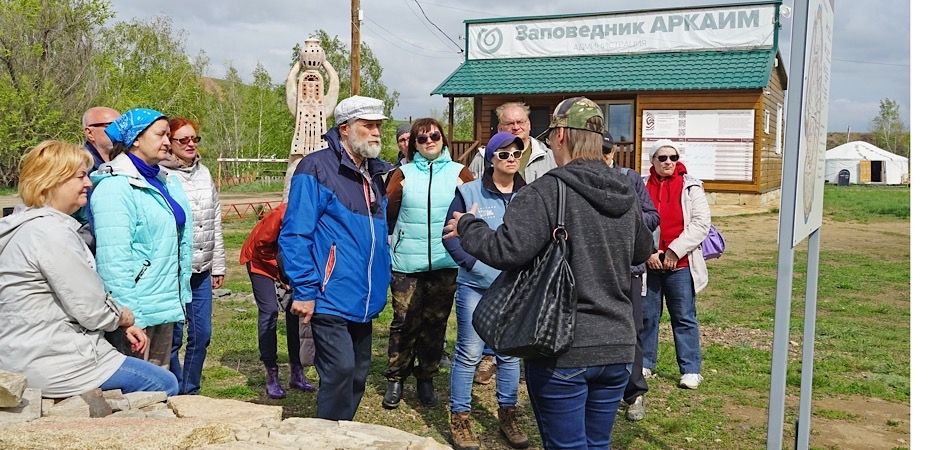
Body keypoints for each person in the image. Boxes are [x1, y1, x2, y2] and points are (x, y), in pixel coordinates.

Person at [444, 97, 655, 449]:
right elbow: (642, 250)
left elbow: (506, 250)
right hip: (617, 346)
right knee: (597, 444)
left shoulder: (548, 189)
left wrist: (468, 225)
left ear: (559, 137)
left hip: (562, 346)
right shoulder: (624, 190)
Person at [0, 140, 178, 398]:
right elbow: (90, 309)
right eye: (81, 176)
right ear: (52, 182)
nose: (89, 183)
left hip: (20, 353)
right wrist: (124, 317)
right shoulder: (51, 234)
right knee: (163, 383)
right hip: (54, 362)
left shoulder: (22, 226)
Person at [279, 95, 393, 421]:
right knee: (340, 370)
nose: (376, 133)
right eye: (368, 126)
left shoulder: (374, 173)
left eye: (378, 126)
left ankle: (343, 433)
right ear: (345, 129)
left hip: (364, 294)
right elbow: (295, 234)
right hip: (328, 294)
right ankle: (325, 437)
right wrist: (304, 289)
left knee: (358, 374)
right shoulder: (315, 167)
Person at [443, 132, 529, 450]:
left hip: (514, 289)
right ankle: (460, 419)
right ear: (491, 159)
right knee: (469, 354)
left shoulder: (529, 194)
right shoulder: (468, 192)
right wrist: (473, 265)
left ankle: (508, 414)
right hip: (476, 288)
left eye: (515, 154)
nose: (510, 159)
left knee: (508, 354)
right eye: (503, 154)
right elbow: (450, 235)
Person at [382, 117, 475, 410]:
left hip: (446, 261)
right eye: (421, 139)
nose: (429, 141)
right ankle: (396, 377)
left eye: (434, 135)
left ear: (443, 139)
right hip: (407, 262)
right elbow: (388, 212)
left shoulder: (461, 173)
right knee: (404, 322)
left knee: (435, 324)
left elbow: (474, 214)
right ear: (414, 145)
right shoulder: (402, 174)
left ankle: (426, 376)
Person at [90, 107, 193, 370]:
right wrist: (128, 317)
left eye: (169, 135)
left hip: (164, 301)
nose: (168, 142)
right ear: (136, 138)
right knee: (138, 395)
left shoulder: (165, 180)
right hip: (138, 311)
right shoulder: (116, 186)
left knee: (161, 387)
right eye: (160, 135)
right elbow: (114, 259)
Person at [160, 117, 225, 395]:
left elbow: (215, 219)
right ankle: (175, 387)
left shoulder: (205, 173)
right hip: (174, 271)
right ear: (170, 143)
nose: (190, 144)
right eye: (182, 140)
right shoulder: (161, 175)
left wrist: (218, 264)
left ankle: (191, 389)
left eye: (194, 139)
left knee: (202, 334)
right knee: (172, 338)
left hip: (202, 269)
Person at [640, 139, 712, 390]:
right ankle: (645, 362)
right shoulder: (641, 185)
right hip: (650, 263)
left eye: (673, 157)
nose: (669, 162)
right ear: (653, 161)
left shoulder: (691, 186)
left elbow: (701, 223)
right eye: (662, 158)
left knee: (683, 316)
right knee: (648, 316)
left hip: (680, 263)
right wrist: (649, 251)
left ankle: (691, 369)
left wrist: (673, 250)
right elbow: (634, 221)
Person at [240, 203, 316, 399]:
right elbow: (262, 247)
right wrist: (282, 277)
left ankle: (297, 373)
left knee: (296, 313)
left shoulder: (317, 214)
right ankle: (271, 374)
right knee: (270, 311)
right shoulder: (280, 214)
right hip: (260, 261)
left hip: (290, 264)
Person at [610, 133, 661, 422]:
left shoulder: (630, 178)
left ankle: (634, 393)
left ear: (614, 150)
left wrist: (628, 217)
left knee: (633, 330)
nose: (604, 155)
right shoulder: (585, 178)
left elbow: (653, 216)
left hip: (629, 269)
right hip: (596, 271)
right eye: (599, 150)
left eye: (608, 150)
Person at [467, 101, 556, 182]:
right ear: (500, 128)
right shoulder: (483, 158)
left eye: (520, 122)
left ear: (529, 125)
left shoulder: (549, 157)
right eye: (510, 123)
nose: (516, 128)